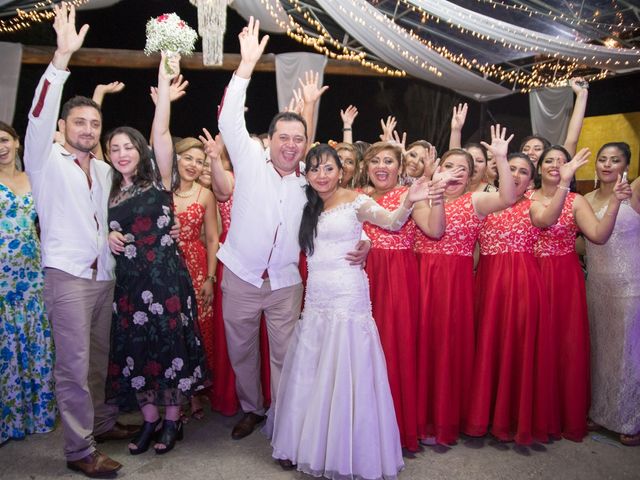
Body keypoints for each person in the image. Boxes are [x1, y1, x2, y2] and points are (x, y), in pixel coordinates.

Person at [216, 17, 369, 446]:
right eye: (282, 137)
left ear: (306, 143)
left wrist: (367, 239)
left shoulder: (312, 178)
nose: (290, 145)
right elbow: (229, 118)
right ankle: (252, 408)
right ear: (268, 140)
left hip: (286, 282)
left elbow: (348, 209)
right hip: (241, 276)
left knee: (286, 355)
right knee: (242, 352)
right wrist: (245, 67)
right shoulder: (248, 160)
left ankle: (282, 419)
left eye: (298, 139)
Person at [271, 144, 438, 479]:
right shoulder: (305, 205)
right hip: (317, 296)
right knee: (312, 366)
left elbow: (391, 223)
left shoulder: (356, 200)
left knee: (349, 366)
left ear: (341, 171)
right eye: (315, 168)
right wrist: (366, 241)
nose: (322, 175)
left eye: (328, 168)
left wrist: (408, 200)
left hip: (348, 295)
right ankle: (301, 443)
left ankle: (347, 448)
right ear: (307, 173)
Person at [23, 5, 136, 476]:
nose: (88, 130)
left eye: (94, 125)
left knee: (100, 360)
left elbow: (101, 217)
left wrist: (110, 231)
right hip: (66, 276)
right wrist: (61, 60)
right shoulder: (44, 158)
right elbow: (39, 111)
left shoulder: (106, 169)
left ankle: (103, 422)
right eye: (79, 124)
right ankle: (78, 450)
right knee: (72, 366)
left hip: (103, 277)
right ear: (64, 127)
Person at [105, 53, 209, 456]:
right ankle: (148, 424)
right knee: (137, 353)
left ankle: (171, 423)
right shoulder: (109, 190)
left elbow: (162, 130)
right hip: (130, 283)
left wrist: (164, 84)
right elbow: (94, 228)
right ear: (109, 155)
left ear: (140, 150)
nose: (123, 153)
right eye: (115, 148)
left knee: (168, 350)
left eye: (129, 146)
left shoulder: (158, 179)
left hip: (165, 279)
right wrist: (107, 240)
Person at [465, 151, 586, 445]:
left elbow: (549, 219)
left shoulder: (534, 206)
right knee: (489, 347)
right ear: (499, 174)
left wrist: (564, 184)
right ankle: (489, 416)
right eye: (511, 169)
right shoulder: (485, 205)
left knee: (519, 349)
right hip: (489, 285)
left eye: (523, 171)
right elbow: (475, 249)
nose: (516, 175)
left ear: (531, 180)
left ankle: (517, 419)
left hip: (522, 285)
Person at [416, 126, 517, 446]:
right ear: (437, 169)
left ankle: (445, 418)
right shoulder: (421, 196)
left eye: (464, 169)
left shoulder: (475, 200)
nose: (456, 172)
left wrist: (500, 158)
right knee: (421, 346)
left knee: (448, 349)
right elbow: (433, 231)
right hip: (420, 278)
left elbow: (508, 197)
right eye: (450, 166)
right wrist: (434, 192)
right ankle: (417, 416)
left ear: (473, 177)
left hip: (454, 283)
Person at [529, 145, 630, 442]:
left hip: (563, 277)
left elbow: (598, 235)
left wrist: (614, 203)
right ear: (539, 167)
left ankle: (559, 413)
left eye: (562, 161)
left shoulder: (576, 201)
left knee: (563, 343)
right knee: (532, 342)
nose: (555, 165)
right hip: (529, 274)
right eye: (549, 160)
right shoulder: (524, 199)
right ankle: (528, 409)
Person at [360, 141, 446, 452]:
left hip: (397, 279)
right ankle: (364, 424)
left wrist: (436, 197)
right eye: (375, 161)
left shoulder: (412, 195)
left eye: (388, 161)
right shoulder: (361, 198)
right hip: (364, 279)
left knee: (393, 349)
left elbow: (435, 231)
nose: (381, 167)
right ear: (366, 167)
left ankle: (394, 426)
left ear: (400, 168)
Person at [0, 121, 56, 445]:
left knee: (35, 339)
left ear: (17, 142)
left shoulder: (33, 178)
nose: (1, 147)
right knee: (6, 345)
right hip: (3, 277)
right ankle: (9, 419)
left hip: (33, 272)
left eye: (5, 139)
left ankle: (38, 414)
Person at [584, 142, 640, 446]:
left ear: (626, 165)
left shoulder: (634, 193)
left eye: (614, 160)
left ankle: (630, 419)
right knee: (601, 351)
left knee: (628, 354)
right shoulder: (587, 199)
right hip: (597, 286)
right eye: (602, 159)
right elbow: (584, 243)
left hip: (631, 287)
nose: (607, 164)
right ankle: (602, 412)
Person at [173, 137, 219, 420]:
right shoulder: (161, 190)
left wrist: (210, 277)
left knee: (199, 329)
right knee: (173, 330)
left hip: (198, 266)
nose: (193, 165)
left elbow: (213, 238)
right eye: (188, 158)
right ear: (175, 158)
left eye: (199, 161)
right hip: (166, 267)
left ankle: (196, 394)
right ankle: (176, 393)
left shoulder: (205, 194)